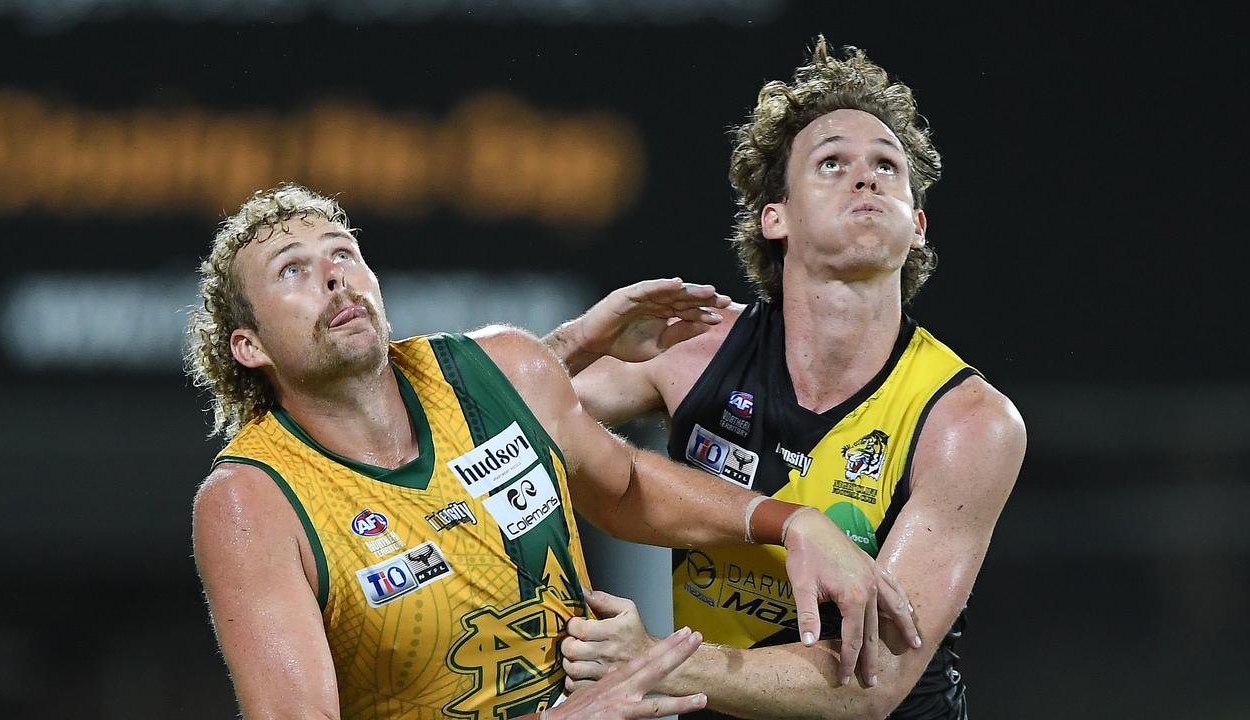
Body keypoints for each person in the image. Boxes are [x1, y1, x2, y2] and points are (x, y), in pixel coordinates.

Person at [185, 184, 921, 719]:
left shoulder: (497, 368)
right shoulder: (253, 500)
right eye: (293, 270)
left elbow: (625, 486)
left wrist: (789, 520)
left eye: (343, 254)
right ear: (247, 347)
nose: (334, 276)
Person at [550, 36, 1026, 719]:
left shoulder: (966, 422)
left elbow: (872, 689)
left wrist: (654, 659)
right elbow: (487, 411)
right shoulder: (690, 347)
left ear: (917, 226)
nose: (865, 178)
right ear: (776, 217)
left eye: (886, 167)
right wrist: (577, 340)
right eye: (832, 163)